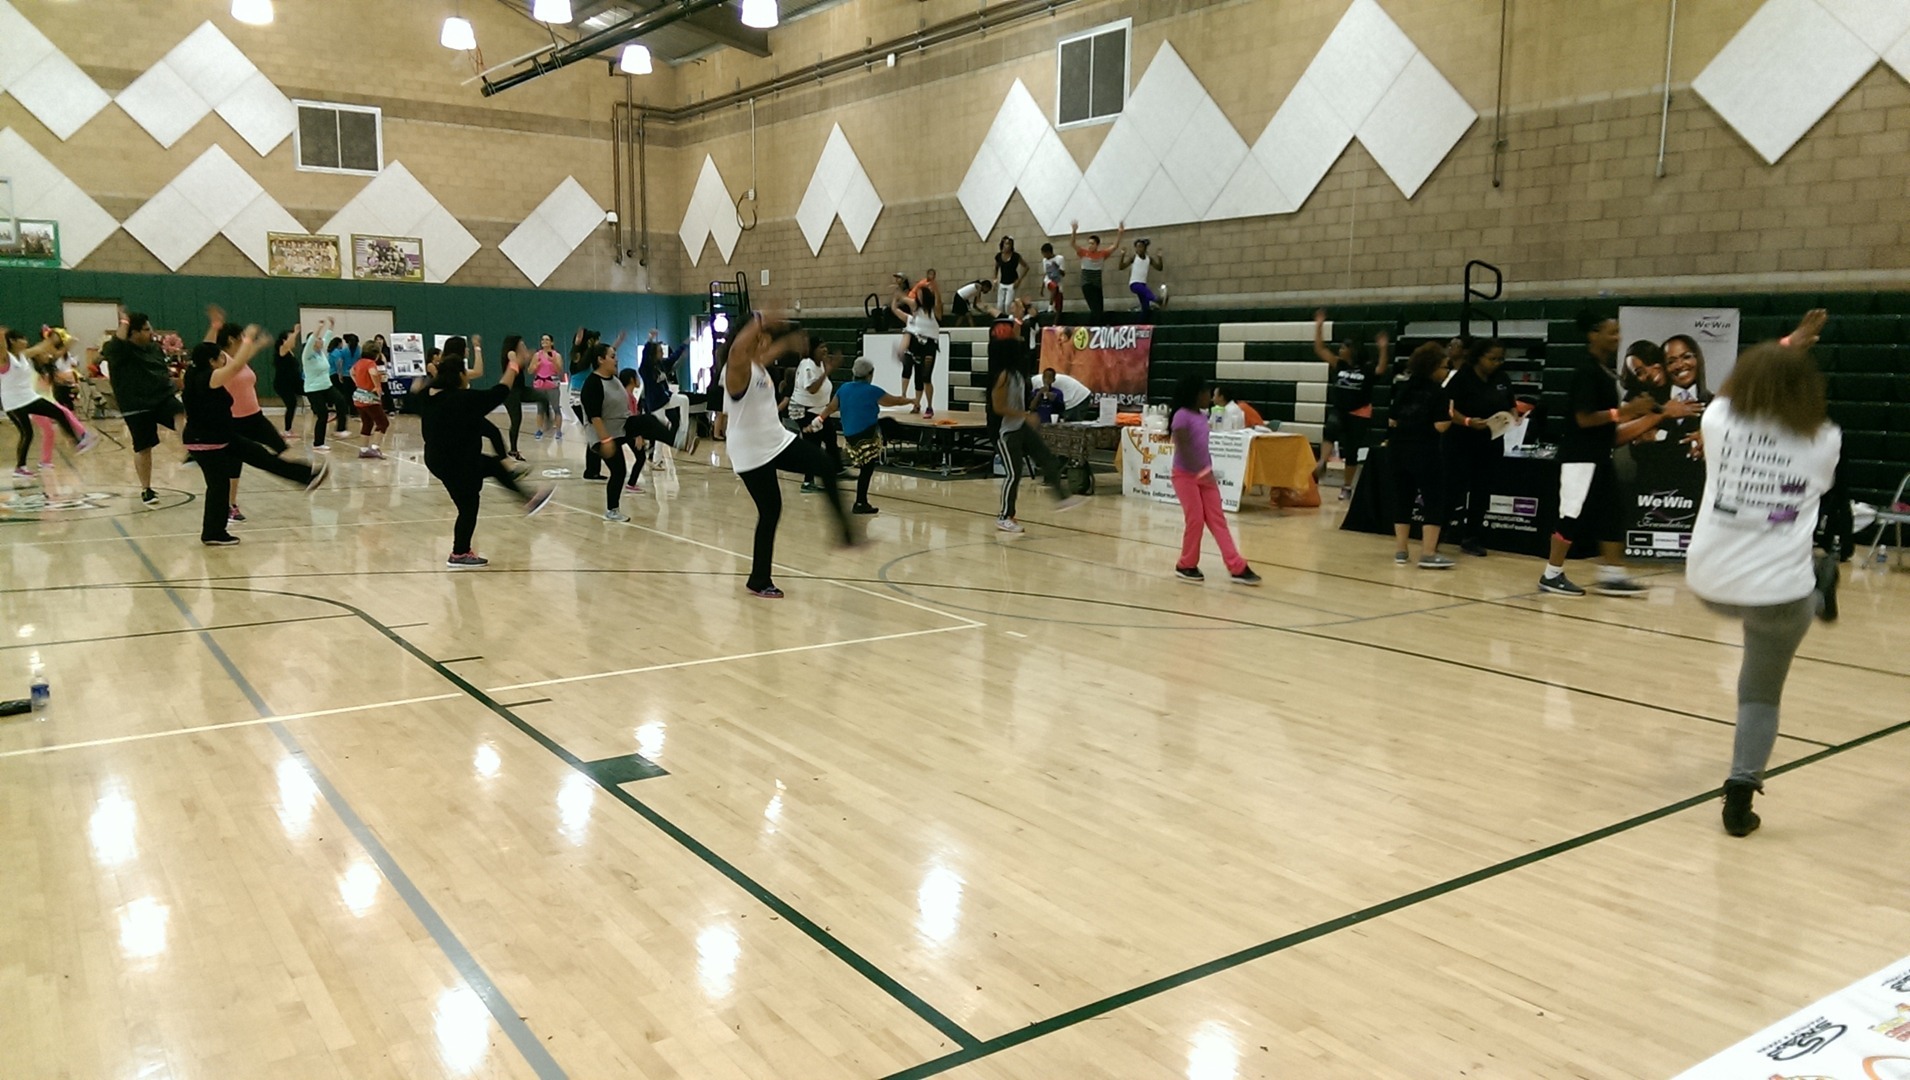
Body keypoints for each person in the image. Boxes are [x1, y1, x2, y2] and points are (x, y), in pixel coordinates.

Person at [1684, 311, 1837, 837]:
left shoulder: (1717, 422)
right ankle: (1741, 790)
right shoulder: (1824, 439)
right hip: (1779, 594)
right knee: (1759, 694)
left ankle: (1818, 586)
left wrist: (1788, 342)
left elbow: (1731, 387)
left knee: (1768, 623)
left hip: (1710, 584)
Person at [1539, 312, 1689, 597]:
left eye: (1619, 332)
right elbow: (1584, 419)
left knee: (1613, 513)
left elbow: (1614, 422)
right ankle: (1551, 573)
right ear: (1593, 335)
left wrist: (1649, 411)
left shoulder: (1604, 371)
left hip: (1600, 455)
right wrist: (1624, 412)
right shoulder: (1586, 371)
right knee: (1570, 515)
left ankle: (1612, 574)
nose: (1617, 337)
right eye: (1611, 332)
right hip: (1580, 457)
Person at [723, 314, 856, 599]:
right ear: (752, 338)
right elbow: (737, 349)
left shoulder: (758, 365)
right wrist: (760, 318)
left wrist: (787, 343)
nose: (768, 340)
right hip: (750, 451)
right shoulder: (737, 369)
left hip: (775, 441)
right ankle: (759, 580)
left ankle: (845, 532)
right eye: (763, 336)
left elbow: (768, 352)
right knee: (770, 510)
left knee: (825, 464)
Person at [180, 328, 328, 546]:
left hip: (221, 436)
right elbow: (235, 366)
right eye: (220, 357)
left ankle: (307, 476)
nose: (224, 359)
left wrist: (250, 344)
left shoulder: (196, 372)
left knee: (260, 456)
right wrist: (249, 338)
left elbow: (224, 360)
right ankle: (213, 533)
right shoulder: (207, 377)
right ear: (211, 362)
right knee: (219, 485)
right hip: (206, 442)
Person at [418, 335, 553, 568]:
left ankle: (462, 551)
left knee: (483, 478)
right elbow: (499, 391)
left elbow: (413, 399)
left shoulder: (428, 397)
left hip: (438, 459)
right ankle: (460, 553)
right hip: (458, 461)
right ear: (460, 376)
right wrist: (513, 366)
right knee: (471, 501)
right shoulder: (463, 399)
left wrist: (417, 388)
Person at [988, 317, 1086, 533]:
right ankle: (1004, 516)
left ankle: (1061, 498)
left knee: (1047, 458)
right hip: (1007, 432)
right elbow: (998, 407)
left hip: (1021, 426)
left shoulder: (1018, 375)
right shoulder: (1003, 376)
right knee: (1013, 474)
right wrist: (1024, 415)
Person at [1167, 374, 1261, 585]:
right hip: (1185, 476)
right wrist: (1200, 471)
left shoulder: (1202, 416)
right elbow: (1183, 448)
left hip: (1204, 475)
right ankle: (1186, 564)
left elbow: (1201, 448)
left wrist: (1206, 471)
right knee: (1195, 519)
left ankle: (1237, 566)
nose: (1209, 398)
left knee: (1217, 520)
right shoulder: (1181, 416)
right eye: (1206, 393)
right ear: (1195, 394)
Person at [103, 310, 184, 506]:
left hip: (161, 398)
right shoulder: (118, 350)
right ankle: (146, 489)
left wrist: (174, 383)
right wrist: (124, 321)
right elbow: (117, 343)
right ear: (133, 332)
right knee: (143, 448)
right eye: (146, 329)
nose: (151, 332)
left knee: (180, 412)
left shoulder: (154, 348)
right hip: (136, 405)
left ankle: (191, 448)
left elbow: (160, 372)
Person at [812, 357, 913, 515]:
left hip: (850, 436)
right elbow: (895, 401)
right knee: (868, 467)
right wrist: (913, 401)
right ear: (870, 374)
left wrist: (818, 420)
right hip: (866, 435)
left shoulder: (844, 388)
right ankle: (860, 502)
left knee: (866, 467)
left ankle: (861, 501)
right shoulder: (872, 391)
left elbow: (831, 407)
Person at [1387, 343, 1456, 569]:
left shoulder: (1403, 387)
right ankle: (1428, 553)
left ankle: (1401, 550)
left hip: (1398, 450)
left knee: (1402, 499)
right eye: (1444, 367)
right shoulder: (1438, 392)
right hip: (1425, 451)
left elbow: (1392, 420)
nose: (1446, 371)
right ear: (1433, 367)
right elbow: (1441, 426)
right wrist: (1450, 413)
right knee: (1433, 500)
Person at [1444, 338, 1514, 556]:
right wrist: (1467, 421)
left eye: (1500, 359)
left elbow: (1511, 404)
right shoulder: (1462, 377)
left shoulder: (1502, 378)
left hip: (1491, 441)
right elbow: (1447, 409)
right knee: (1454, 488)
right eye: (1492, 359)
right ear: (1478, 357)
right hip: (1461, 441)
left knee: (1482, 490)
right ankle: (1438, 531)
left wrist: (1513, 416)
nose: (1497, 363)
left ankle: (1472, 537)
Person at [1312, 309, 1390, 500]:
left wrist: (1383, 348)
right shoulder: (1339, 364)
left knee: (1351, 450)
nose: (1340, 350)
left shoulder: (1366, 368)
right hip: (1340, 409)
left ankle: (1347, 486)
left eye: (1343, 347)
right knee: (1330, 429)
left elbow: (1381, 368)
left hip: (1359, 412)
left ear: (1352, 350)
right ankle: (1322, 461)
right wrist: (1319, 325)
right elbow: (1320, 349)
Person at [4, 326, 95, 478]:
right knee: (28, 433)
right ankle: (21, 467)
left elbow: (43, 348)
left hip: (28, 397)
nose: (25, 341)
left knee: (56, 415)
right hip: (14, 401)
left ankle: (77, 441)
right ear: (12, 341)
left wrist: (56, 339)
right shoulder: (6, 359)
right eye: (21, 339)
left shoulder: (24, 356)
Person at [788, 340, 835, 491]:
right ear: (813, 350)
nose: (825, 349)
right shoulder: (808, 364)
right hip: (804, 410)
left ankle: (835, 471)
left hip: (818, 410)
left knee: (830, 437)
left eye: (826, 346)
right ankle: (808, 482)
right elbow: (812, 389)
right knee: (813, 444)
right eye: (821, 347)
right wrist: (826, 373)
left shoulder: (820, 364)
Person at [892, 295, 940, 418]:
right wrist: (896, 297)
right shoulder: (910, 319)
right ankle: (904, 395)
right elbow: (895, 309)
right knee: (907, 369)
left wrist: (900, 295)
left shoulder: (927, 316)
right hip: (914, 349)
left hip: (925, 347)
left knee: (923, 377)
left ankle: (922, 404)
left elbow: (914, 302)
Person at [299, 319, 338, 453]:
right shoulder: (307, 354)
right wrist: (319, 327)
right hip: (313, 389)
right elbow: (311, 340)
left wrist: (331, 326)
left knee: (341, 401)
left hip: (326, 386)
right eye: (319, 339)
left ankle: (341, 429)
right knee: (322, 415)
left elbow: (327, 338)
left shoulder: (320, 352)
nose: (322, 341)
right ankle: (318, 443)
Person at [1070, 220, 1123, 317]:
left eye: (1092, 244)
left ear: (1097, 245)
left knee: (1099, 308)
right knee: (1095, 308)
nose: (1090, 246)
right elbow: (1073, 243)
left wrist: (1120, 233)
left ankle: (1099, 324)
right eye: (1089, 243)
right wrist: (1074, 230)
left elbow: (1115, 246)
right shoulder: (1083, 253)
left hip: (1097, 285)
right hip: (1087, 284)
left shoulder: (1102, 254)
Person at [352, 338, 390, 459]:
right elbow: (373, 372)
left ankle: (363, 449)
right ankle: (375, 448)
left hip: (358, 396)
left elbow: (352, 372)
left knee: (367, 423)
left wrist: (358, 383)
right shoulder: (370, 363)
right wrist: (377, 386)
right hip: (369, 398)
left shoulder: (359, 362)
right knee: (383, 423)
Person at [1118, 238, 1167, 317]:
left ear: (1145, 248)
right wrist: (1122, 255)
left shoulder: (1149, 259)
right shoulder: (1134, 257)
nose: (1138, 249)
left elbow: (1159, 268)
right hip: (1134, 284)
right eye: (1137, 247)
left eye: (1140, 247)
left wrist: (1160, 257)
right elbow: (1121, 267)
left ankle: (1142, 322)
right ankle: (1156, 299)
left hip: (1143, 284)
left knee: (1145, 308)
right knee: (1146, 292)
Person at [529, 334, 564, 442]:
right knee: (540, 409)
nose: (544, 341)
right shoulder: (537, 355)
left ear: (551, 342)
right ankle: (539, 429)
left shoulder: (556, 355)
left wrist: (553, 361)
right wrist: (535, 366)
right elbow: (530, 371)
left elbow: (560, 372)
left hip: (552, 385)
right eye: (543, 339)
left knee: (556, 408)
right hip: (539, 385)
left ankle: (558, 430)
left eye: (547, 340)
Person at [272, 325, 303, 439]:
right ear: (284, 340)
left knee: (312, 391)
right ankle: (287, 430)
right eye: (291, 338)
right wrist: (295, 332)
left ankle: (325, 412)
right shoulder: (282, 349)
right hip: (283, 384)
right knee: (291, 404)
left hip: (294, 382)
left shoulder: (290, 352)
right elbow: (287, 344)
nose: (294, 340)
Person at [993, 237, 1028, 311]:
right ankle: (1001, 317)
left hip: (1012, 282)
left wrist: (1019, 280)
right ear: (1002, 244)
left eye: (1010, 244)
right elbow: (996, 268)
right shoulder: (999, 256)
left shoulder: (1016, 256)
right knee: (999, 305)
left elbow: (1026, 267)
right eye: (1006, 244)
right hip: (1002, 282)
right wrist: (995, 279)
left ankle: (1010, 316)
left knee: (1007, 304)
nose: (1008, 246)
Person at [1039, 243, 1065, 317]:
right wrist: (1042, 288)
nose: (1044, 256)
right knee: (1054, 287)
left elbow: (1063, 274)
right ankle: (1050, 307)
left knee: (1059, 306)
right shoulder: (1044, 260)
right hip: (1048, 280)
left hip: (1058, 281)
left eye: (1045, 254)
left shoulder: (1060, 258)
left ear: (1049, 252)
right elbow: (1045, 274)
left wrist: (1057, 267)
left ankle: (1056, 321)